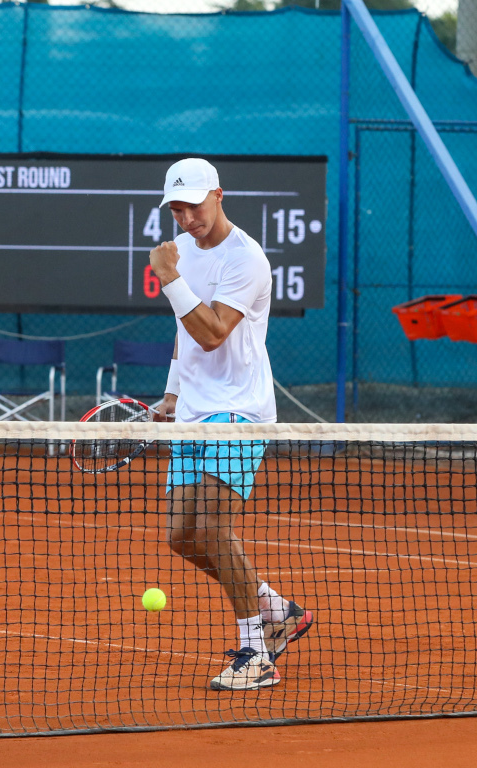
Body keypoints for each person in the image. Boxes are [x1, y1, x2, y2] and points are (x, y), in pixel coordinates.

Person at [148, 157, 313, 691]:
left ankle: (256, 653)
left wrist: (170, 278)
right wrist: (173, 392)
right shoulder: (183, 252)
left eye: (193, 205)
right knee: (181, 535)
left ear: (218, 195)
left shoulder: (246, 259)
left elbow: (214, 331)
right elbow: (183, 330)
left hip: (239, 409)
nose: (185, 216)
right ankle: (275, 609)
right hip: (195, 409)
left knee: (216, 530)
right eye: (176, 208)